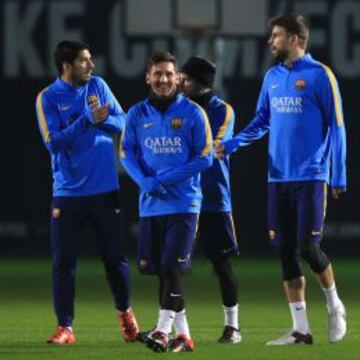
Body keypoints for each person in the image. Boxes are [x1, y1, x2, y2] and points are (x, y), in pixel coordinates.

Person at [215, 14, 347, 345]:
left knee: (309, 247)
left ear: (294, 38)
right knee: (285, 251)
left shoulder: (320, 75)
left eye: (276, 35)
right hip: (278, 178)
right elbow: (262, 120)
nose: (270, 40)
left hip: (312, 176)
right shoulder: (272, 77)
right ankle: (301, 329)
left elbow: (338, 126)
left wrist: (338, 173)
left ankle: (334, 305)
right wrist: (233, 143)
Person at [35, 40, 139, 344]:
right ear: (66, 65)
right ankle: (65, 327)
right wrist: (86, 120)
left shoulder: (98, 86)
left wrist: (104, 119)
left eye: (90, 59)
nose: (91, 66)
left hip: (105, 190)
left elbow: (122, 121)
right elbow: (52, 142)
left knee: (114, 258)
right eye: (84, 60)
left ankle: (126, 315)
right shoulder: (48, 98)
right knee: (64, 262)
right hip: (67, 193)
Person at [120, 51, 213, 352]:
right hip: (151, 205)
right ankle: (184, 336)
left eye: (169, 74)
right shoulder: (136, 114)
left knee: (172, 267)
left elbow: (205, 158)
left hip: (184, 204)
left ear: (178, 78)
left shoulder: (193, 113)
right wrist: (144, 181)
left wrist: (162, 180)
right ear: (148, 77)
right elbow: (126, 154)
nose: (163, 79)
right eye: (157, 74)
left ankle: (161, 331)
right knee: (163, 270)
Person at [180, 56, 241, 344]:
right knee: (171, 265)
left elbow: (213, 149)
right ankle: (171, 326)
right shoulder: (178, 107)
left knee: (220, 264)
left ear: (201, 83)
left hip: (213, 199)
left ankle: (233, 327)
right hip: (180, 199)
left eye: (186, 79)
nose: (181, 83)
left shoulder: (223, 111)